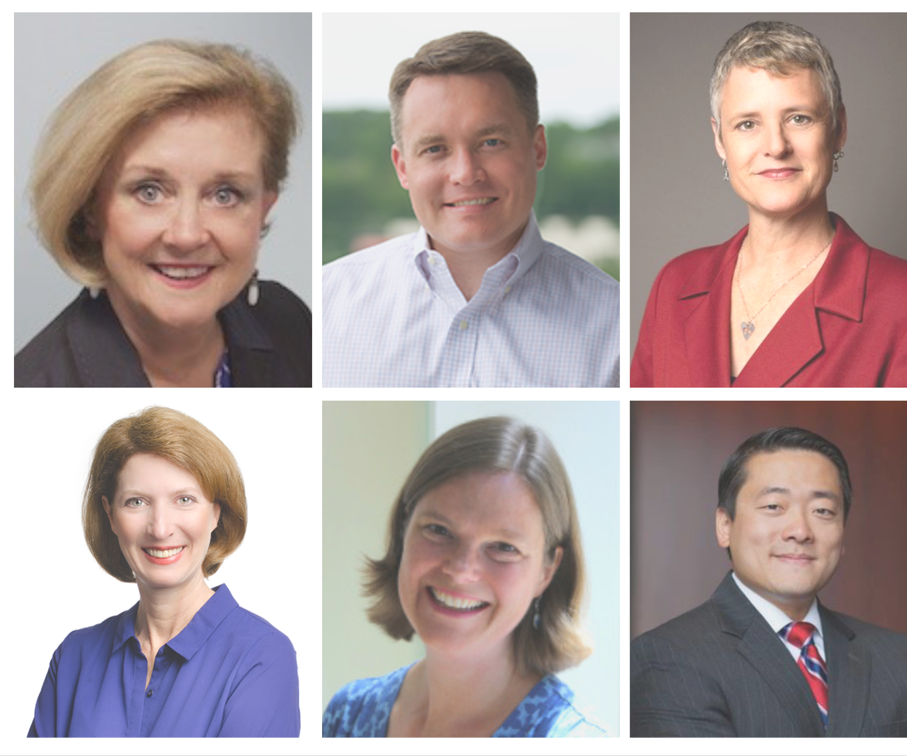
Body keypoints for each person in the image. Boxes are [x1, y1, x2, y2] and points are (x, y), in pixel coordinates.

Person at [630, 21, 907, 387]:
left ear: (838, 128)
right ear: (720, 140)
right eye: (747, 124)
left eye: (798, 118)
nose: (776, 145)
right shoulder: (673, 287)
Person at [322, 32, 619, 388]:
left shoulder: (615, 321)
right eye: (435, 148)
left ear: (537, 148)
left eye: (491, 142)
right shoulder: (326, 304)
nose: (465, 173)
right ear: (402, 167)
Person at [15, 40, 311, 387]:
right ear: (91, 209)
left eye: (224, 194)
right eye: (149, 191)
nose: (187, 235)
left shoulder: (292, 321)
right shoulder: (33, 388)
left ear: (263, 208)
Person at [630, 426, 907, 737]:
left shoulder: (897, 658)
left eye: (823, 511)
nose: (800, 530)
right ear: (725, 525)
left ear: (843, 535)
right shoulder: (665, 657)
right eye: (773, 506)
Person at [323, 417, 605, 737]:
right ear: (403, 530)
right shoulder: (347, 716)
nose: (461, 569)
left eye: (503, 547)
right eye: (439, 530)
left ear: (546, 571)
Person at [28, 406, 300, 737]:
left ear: (216, 513)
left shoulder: (262, 656)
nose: (160, 529)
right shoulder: (74, 657)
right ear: (110, 514)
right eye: (136, 502)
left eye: (184, 500)